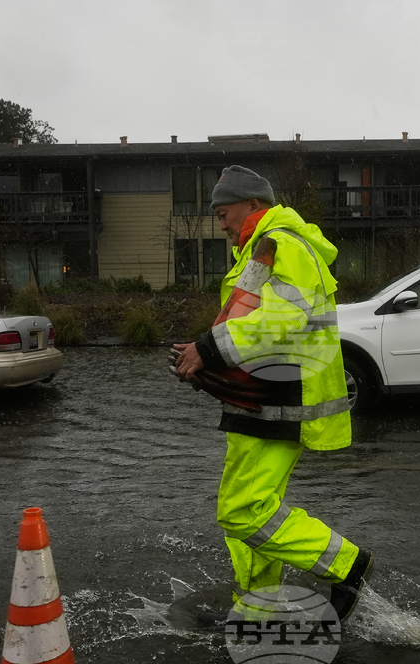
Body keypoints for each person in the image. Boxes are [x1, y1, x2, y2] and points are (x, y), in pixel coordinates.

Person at [172, 165, 373, 623]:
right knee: (258, 510)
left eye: (224, 213)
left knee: (242, 510)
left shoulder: (283, 244)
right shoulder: (262, 248)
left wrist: (209, 349)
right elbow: (249, 318)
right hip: (261, 397)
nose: (219, 223)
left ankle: (346, 564)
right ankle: (257, 605)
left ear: (254, 206)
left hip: (278, 399)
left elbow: (284, 321)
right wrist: (209, 354)